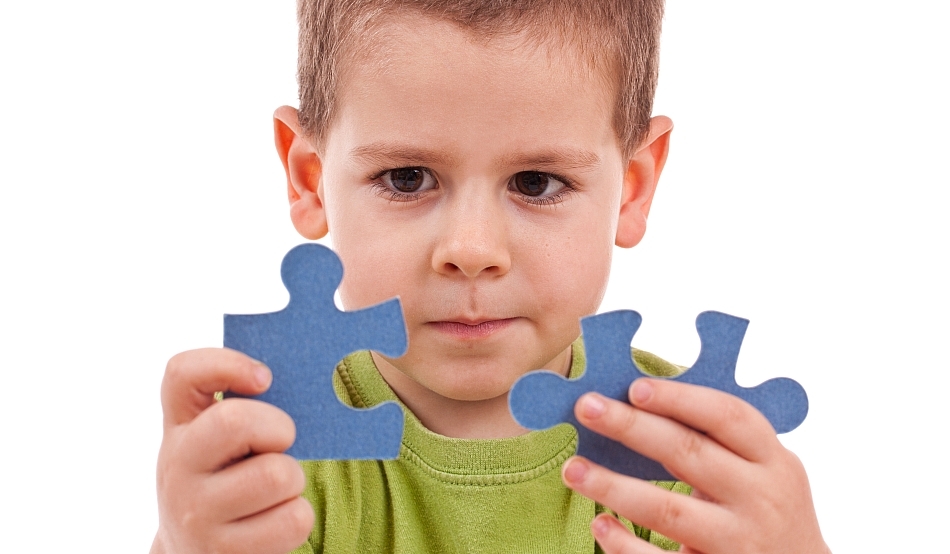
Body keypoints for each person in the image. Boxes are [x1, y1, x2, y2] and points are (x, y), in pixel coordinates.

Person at [151, 1, 831, 552]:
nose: (471, 250)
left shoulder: (686, 458)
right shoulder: (269, 447)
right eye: (407, 178)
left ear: (633, 188)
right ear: (311, 179)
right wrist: (186, 544)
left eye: (536, 182)